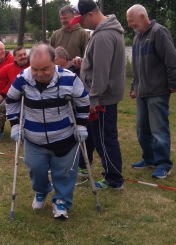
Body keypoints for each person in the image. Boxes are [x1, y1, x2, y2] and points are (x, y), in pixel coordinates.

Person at [6, 44, 90, 219]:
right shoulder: (23, 78)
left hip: (64, 136)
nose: (39, 74)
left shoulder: (70, 78)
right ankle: (41, 191)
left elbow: (83, 101)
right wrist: (15, 124)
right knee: (35, 168)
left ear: (55, 62)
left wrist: (81, 125)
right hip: (33, 137)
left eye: (45, 69)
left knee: (65, 172)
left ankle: (61, 201)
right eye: (35, 69)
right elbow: (12, 99)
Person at [71, 0, 125, 189]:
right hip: (103, 96)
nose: (80, 24)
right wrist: (85, 63)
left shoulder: (103, 36)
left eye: (82, 20)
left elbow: (102, 73)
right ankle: (90, 168)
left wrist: (93, 100)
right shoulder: (105, 33)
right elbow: (99, 63)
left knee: (105, 138)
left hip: (102, 99)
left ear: (91, 15)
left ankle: (114, 179)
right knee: (98, 135)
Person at [127, 5, 176, 178]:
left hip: (157, 92)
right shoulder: (137, 37)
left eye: (131, 21)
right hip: (142, 92)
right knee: (142, 129)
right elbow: (136, 67)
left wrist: (173, 83)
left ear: (142, 17)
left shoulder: (159, 32)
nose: (130, 25)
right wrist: (134, 86)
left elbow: (171, 60)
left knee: (158, 130)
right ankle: (148, 159)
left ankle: (163, 164)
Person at [54, 46, 94, 177]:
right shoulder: (55, 72)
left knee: (83, 135)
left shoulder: (77, 69)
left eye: (55, 58)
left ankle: (84, 164)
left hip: (78, 107)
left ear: (64, 58)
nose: (52, 61)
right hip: (62, 109)